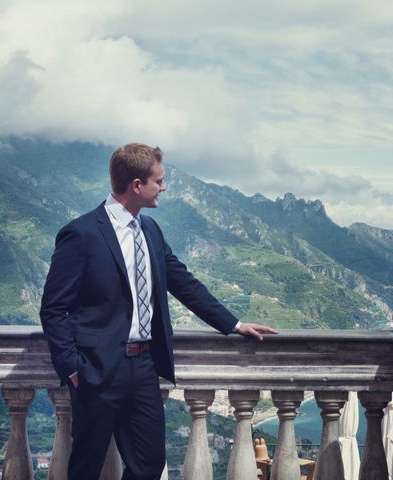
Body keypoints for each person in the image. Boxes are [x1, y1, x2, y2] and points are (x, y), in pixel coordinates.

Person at [40, 143, 277, 480]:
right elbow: (53, 309)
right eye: (159, 181)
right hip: (97, 370)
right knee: (85, 467)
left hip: (145, 367)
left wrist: (233, 323)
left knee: (149, 466)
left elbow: (183, 283)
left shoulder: (150, 230)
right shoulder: (81, 234)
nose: (163, 188)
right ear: (137, 185)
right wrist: (73, 368)